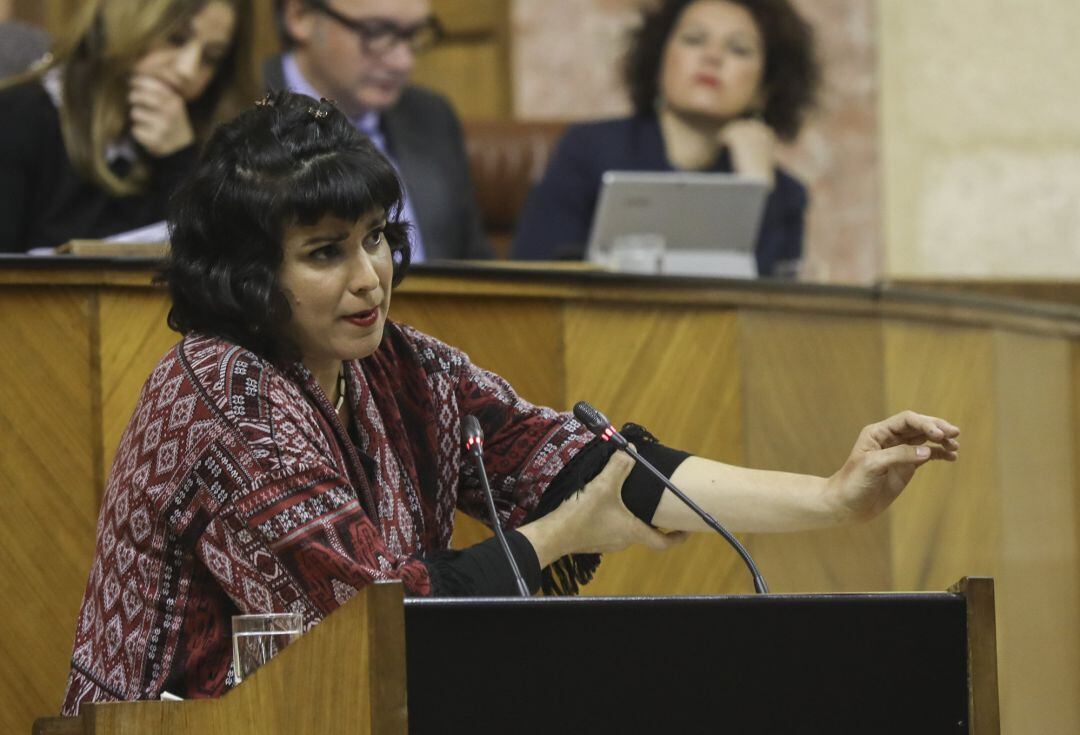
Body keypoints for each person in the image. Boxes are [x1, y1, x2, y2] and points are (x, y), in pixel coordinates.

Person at [61, 91, 958, 713]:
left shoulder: (402, 367)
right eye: (327, 251)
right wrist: (565, 533)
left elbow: (597, 468)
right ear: (254, 273)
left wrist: (833, 496)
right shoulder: (220, 392)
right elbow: (382, 616)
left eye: (376, 238)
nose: (371, 275)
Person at [512, 0, 819, 277]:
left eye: (738, 49)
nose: (712, 57)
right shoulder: (589, 152)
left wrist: (756, 192)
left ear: (765, 89)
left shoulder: (784, 196)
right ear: (659, 61)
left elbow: (767, 318)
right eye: (694, 40)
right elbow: (532, 278)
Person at [0, 0, 256, 253]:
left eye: (211, 58)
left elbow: (211, 265)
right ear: (126, 21)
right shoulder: (20, 116)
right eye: (175, 39)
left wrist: (179, 159)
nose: (187, 70)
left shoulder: (198, 135)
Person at [265, 0, 493, 262]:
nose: (403, 62)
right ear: (300, 16)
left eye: (414, 33)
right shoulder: (239, 117)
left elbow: (477, 268)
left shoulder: (431, 116)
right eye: (376, 33)